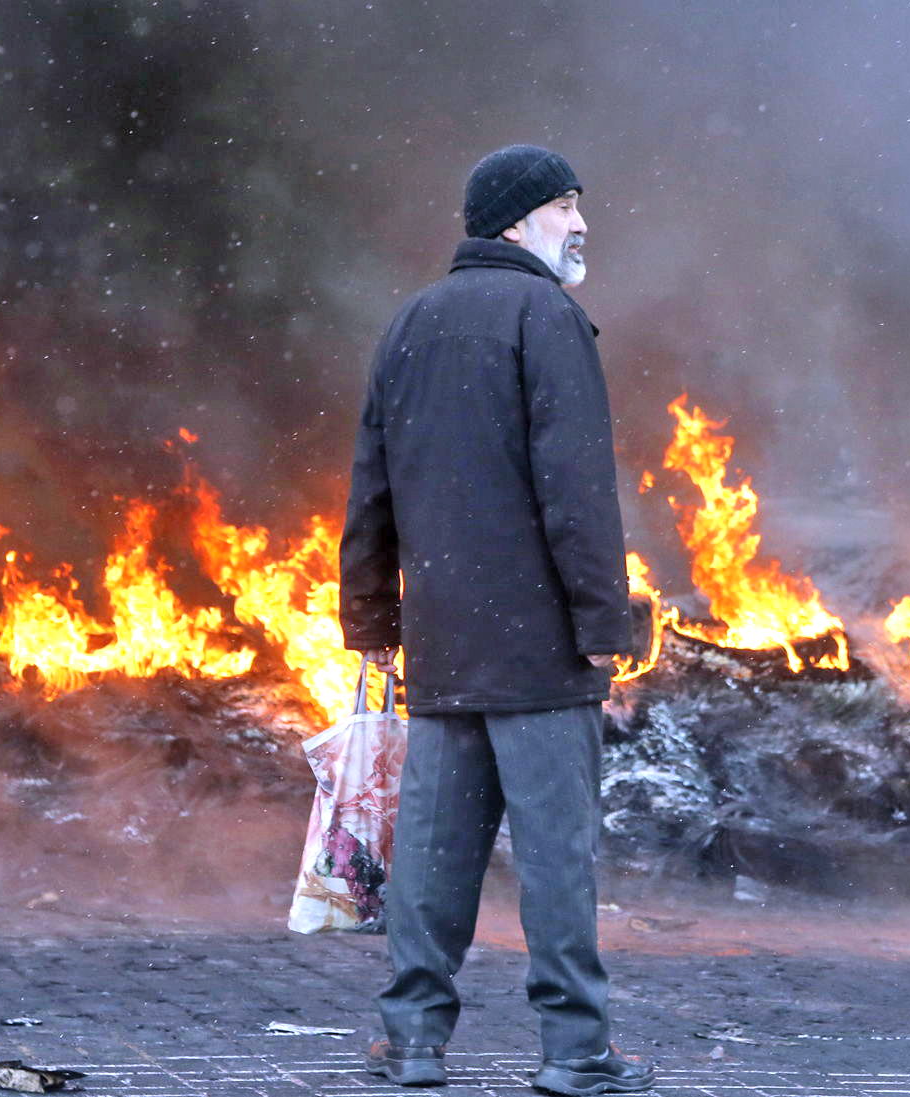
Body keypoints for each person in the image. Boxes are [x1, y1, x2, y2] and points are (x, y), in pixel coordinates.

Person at [339, 144, 656, 1094]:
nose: (582, 223)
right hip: (539, 649)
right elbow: (576, 490)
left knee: (433, 859)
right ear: (518, 221)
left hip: (443, 644)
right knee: (558, 859)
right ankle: (574, 1053)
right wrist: (607, 619)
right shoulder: (546, 316)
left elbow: (371, 489)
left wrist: (370, 618)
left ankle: (410, 1042)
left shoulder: (410, 323)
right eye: (566, 206)